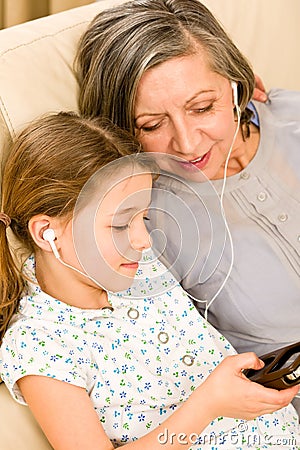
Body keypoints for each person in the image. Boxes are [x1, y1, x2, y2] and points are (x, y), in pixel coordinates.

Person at [0, 112, 299, 449]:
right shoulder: (41, 345)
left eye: (142, 217)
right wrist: (207, 406)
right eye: (119, 225)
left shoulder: (141, 269)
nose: (143, 240)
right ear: (47, 233)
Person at [75, 0, 300, 379]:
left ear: (234, 85)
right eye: (151, 125)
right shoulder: (146, 226)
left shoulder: (291, 115)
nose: (187, 144)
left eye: (202, 107)